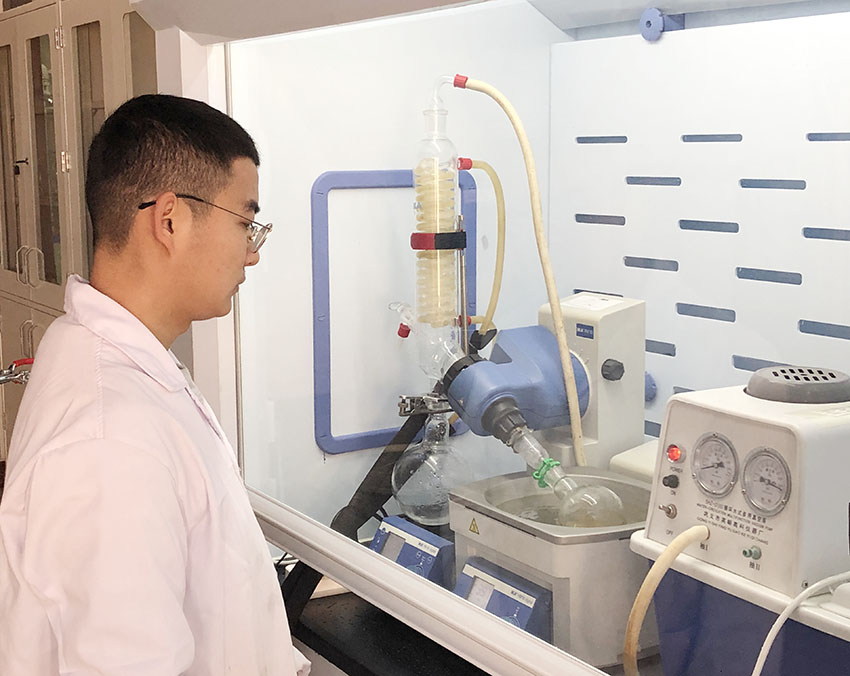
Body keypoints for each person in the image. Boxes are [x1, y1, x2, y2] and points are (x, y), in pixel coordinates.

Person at [0, 95, 310, 675]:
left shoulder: (120, 365)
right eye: (245, 223)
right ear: (169, 220)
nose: (252, 253)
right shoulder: (109, 440)